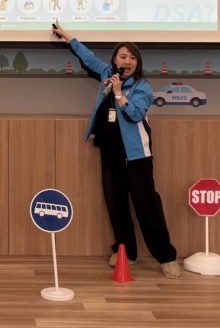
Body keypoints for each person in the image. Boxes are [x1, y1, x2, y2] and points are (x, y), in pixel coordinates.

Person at [51, 22, 180, 279]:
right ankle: (126, 252)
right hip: (110, 153)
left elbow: (134, 114)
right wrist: (68, 37)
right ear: (114, 60)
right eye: (123, 56)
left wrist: (119, 94)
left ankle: (166, 257)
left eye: (132, 57)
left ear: (137, 63)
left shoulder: (142, 87)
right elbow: (88, 57)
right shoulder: (107, 75)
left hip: (136, 157)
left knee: (147, 206)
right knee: (116, 205)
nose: (127, 61)